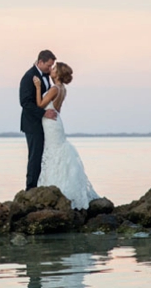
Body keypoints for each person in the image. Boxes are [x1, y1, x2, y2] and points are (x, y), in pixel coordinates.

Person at [32, 62, 99, 209]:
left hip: (50, 124)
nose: (52, 70)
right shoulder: (62, 89)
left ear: (58, 74)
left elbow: (39, 105)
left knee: (53, 153)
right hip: (56, 122)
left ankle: (56, 186)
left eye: (54, 69)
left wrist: (37, 87)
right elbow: (58, 109)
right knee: (56, 152)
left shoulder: (55, 89)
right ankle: (59, 186)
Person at [19, 50, 57, 190]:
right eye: (48, 65)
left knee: (44, 156)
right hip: (32, 123)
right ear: (40, 62)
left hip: (46, 125)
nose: (50, 69)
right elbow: (25, 102)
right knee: (35, 157)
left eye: (52, 66)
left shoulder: (47, 75)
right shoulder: (28, 77)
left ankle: (43, 185)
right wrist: (43, 113)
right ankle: (30, 189)